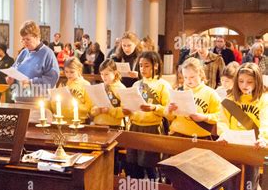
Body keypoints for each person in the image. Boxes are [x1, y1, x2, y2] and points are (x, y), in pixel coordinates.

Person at [217, 63, 267, 190]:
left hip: (253, 147)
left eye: (250, 82)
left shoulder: (263, 99)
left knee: (250, 189)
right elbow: (222, 121)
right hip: (232, 145)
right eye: (241, 81)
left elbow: (265, 121)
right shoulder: (229, 100)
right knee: (230, 188)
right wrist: (223, 135)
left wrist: (263, 138)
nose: (245, 85)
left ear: (258, 81)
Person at [126, 51, 169, 180]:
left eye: (146, 66)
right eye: (140, 66)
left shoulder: (163, 85)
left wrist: (154, 107)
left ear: (155, 66)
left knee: (150, 165)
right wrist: (128, 110)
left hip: (152, 128)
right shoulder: (136, 84)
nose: (142, 69)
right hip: (134, 127)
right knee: (133, 165)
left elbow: (168, 110)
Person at [166, 58, 220, 140]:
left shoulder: (210, 93)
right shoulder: (178, 91)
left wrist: (204, 117)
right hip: (177, 134)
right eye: (185, 77)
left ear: (201, 74)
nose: (188, 80)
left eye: (192, 77)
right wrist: (169, 110)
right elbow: (169, 117)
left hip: (199, 137)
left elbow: (219, 116)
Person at [6, 21, 59, 100]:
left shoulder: (48, 54)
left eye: (28, 39)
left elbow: (51, 79)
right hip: (19, 98)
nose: (25, 42)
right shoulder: (24, 52)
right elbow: (14, 70)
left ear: (37, 37)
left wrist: (31, 82)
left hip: (38, 101)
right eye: (23, 39)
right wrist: (11, 79)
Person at [53, 58, 92, 123]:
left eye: (72, 72)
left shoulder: (86, 84)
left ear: (79, 70)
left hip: (80, 121)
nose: (68, 75)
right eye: (66, 72)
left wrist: (74, 106)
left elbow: (89, 106)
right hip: (62, 120)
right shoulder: (62, 84)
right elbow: (55, 104)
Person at [90, 59, 125, 129]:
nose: (103, 77)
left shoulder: (121, 88)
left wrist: (109, 110)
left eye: (106, 74)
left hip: (114, 125)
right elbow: (92, 107)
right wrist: (96, 110)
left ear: (115, 73)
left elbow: (125, 111)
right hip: (98, 123)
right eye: (102, 74)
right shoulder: (99, 87)